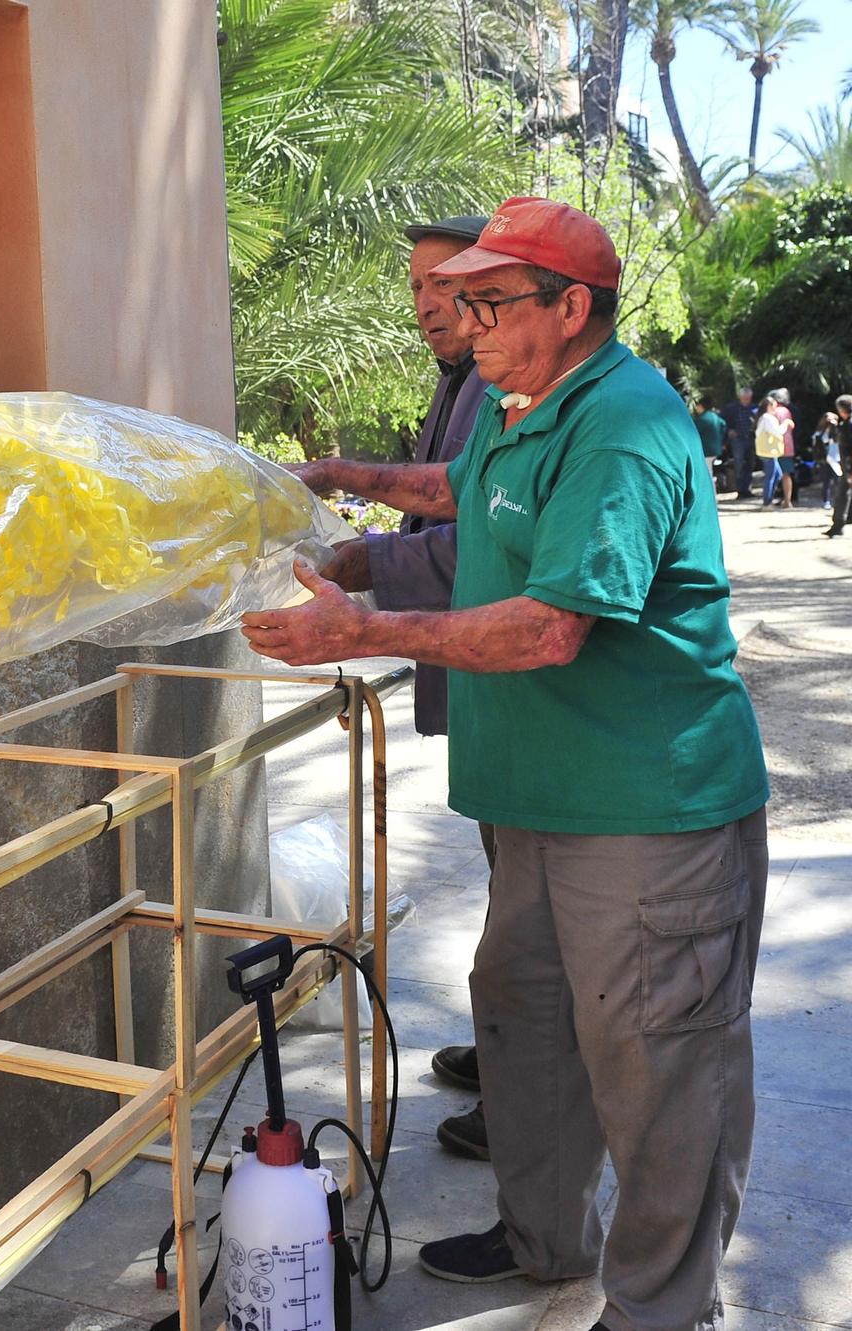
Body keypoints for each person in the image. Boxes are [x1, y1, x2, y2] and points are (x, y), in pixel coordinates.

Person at [240, 196, 769, 1331]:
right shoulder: (525, 405)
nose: (462, 321)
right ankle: (543, 1240)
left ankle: (661, 1307)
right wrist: (347, 495)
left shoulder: (621, 422)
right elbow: (457, 490)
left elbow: (548, 627)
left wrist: (362, 631)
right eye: (457, 300)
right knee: (525, 1022)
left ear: (570, 306)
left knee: (654, 1063)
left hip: (643, 808)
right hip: (534, 801)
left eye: (487, 300)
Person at [311, 214, 497, 1162]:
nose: (429, 304)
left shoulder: (521, 395)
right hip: (490, 680)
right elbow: (434, 494)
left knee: (533, 910)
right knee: (517, 887)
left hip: (519, 683)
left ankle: (527, 1091)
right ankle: (513, 1062)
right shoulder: (465, 385)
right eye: (417, 285)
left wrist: (359, 574)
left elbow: (469, 541)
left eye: (450, 284)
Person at [721, 386, 759, 498]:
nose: (746, 400)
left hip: (751, 438)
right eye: (744, 398)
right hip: (738, 440)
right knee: (738, 465)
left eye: (748, 398)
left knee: (750, 464)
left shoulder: (754, 408)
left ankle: (747, 489)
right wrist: (729, 431)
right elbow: (722, 421)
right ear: (740, 397)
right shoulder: (731, 408)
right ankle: (740, 490)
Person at [756, 390, 790, 507]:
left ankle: (768, 500)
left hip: (770, 452)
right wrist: (786, 423)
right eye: (774, 407)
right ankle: (767, 502)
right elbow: (778, 432)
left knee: (776, 475)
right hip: (768, 452)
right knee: (771, 477)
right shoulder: (767, 418)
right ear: (769, 406)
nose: (776, 409)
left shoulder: (764, 417)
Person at [826, 395, 850, 537]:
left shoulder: (848, 425)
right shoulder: (846, 424)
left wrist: (848, 470)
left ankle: (838, 525)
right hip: (847, 465)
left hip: (848, 466)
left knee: (842, 495)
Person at [693, 397, 724, 480]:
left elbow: (693, 433)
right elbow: (723, 425)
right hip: (716, 449)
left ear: (701, 406)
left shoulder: (701, 419)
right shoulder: (714, 416)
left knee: (707, 474)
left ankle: (711, 492)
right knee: (710, 472)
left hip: (706, 450)